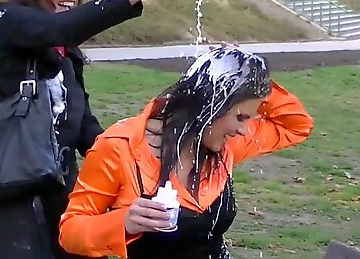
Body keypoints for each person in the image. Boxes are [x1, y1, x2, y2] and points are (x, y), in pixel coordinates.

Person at [0, 0, 184, 259]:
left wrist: (136, 162)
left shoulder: (64, 49)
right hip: (10, 196)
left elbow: (83, 127)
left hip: (63, 192)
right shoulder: (5, 20)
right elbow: (61, 27)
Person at [58, 46, 315, 258]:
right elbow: (70, 232)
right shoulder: (120, 146)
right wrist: (123, 222)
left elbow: (297, 125)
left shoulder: (224, 144)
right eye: (240, 117)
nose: (245, 130)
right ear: (211, 103)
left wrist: (246, 75)